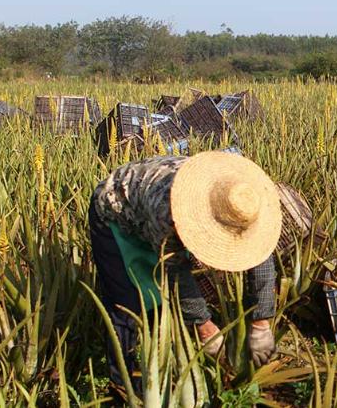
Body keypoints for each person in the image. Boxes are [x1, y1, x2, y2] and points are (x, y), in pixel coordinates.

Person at [89, 151, 282, 394]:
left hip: (155, 209)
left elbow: (261, 255)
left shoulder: (247, 198)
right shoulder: (167, 214)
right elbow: (175, 272)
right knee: (127, 302)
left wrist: (261, 323)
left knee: (165, 302)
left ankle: (165, 349)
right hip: (115, 213)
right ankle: (125, 382)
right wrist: (204, 327)